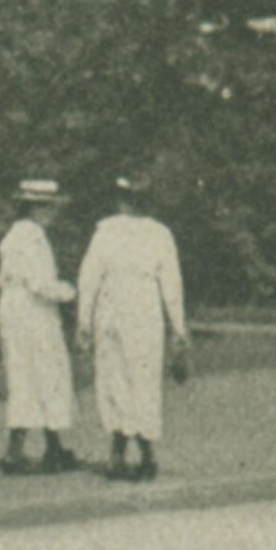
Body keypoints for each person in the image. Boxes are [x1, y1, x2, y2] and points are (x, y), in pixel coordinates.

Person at [75, 174, 188, 481]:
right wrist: (179, 328)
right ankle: (146, 454)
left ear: (121, 200)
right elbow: (172, 286)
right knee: (143, 377)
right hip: (144, 310)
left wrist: (83, 321)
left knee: (115, 378)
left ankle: (119, 453)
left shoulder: (106, 231)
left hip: (111, 308)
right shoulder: (160, 234)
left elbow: (89, 279)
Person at [0, 179, 78, 473]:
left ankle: (52, 446)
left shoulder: (19, 234)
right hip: (31, 312)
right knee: (37, 373)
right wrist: (70, 292)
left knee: (35, 374)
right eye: (49, 208)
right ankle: (14, 453)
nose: (53, 214)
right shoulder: (30, 237)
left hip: (18, 310)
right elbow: (40, 284)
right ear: (36, 208)